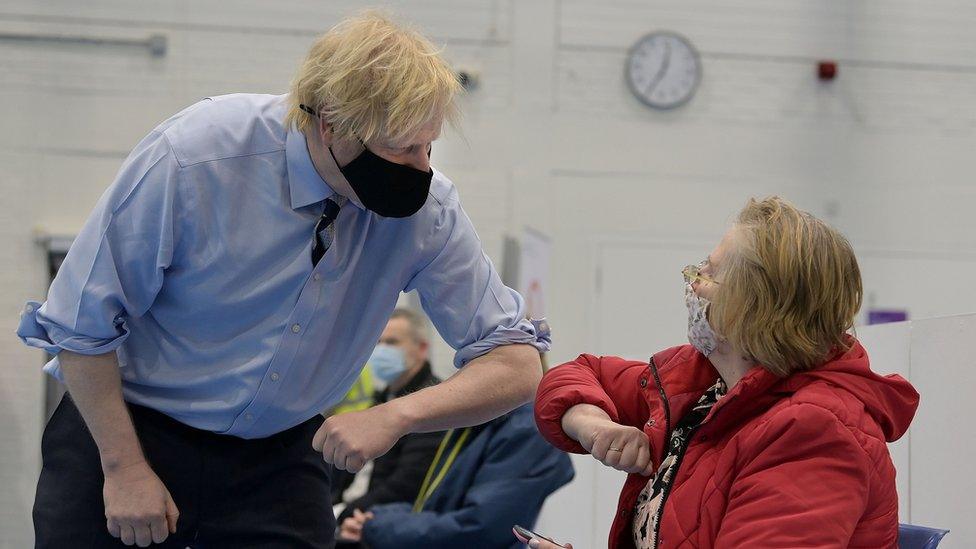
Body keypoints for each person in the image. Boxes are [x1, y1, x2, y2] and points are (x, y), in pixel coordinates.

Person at [17, 11, 548, 548]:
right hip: (129, 428)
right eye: (400, 149)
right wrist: (123, 467)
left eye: (428, 147)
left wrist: (398, 414)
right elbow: (79, 326)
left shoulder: (429, 212)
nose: (420, 168)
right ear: (331, 124)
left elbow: (515, 363)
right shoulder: (200, 155)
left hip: (280, 455)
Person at [533, 197, 919, 548]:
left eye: (710, 273)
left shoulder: (813, 432)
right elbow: (579, 374)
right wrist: (595, 425)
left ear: (754, 307)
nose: (692, 281)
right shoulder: (705, 383)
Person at [338, 402, 574, 549]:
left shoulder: (525, 430)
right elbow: (435, 503)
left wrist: (378, 525)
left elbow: (479, 528)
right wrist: (376, 518)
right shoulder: (478, 418)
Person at [331, 308, 446, 521]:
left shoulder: (432, 404)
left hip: (373, 521)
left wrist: (340, 515)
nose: (381, 350)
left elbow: (406, 486)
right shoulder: (381, 397)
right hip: (347, 511)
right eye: (377, 342)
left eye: (392, 342)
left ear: (421, 348)